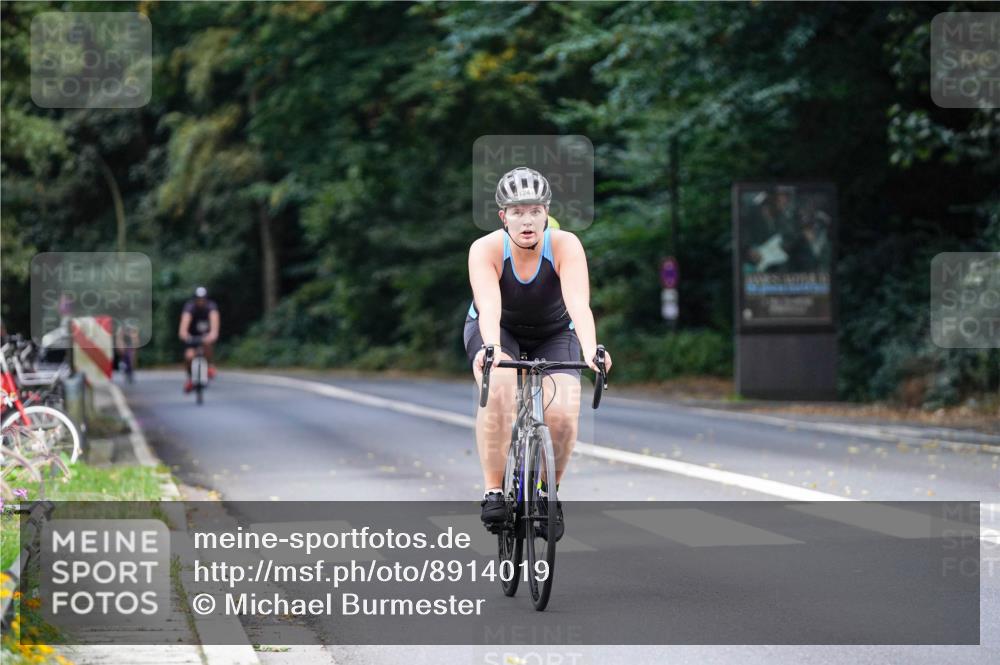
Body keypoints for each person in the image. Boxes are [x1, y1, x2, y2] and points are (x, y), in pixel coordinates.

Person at [464, 166, 612, 541]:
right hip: (499, 331)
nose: (527, 220)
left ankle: (548, 494)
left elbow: (579, 304)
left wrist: (594, 348)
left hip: (554, 332)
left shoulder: (566, 245)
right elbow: (489, 306)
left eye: (534, 210)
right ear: (503, 217)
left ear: (547, 212)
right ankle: (494, 491)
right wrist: (492, 349)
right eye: (517, 211)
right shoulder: (485, 249)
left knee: (563, 413)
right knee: (498, 389)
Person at [177, 286, 219, 393]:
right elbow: (184, 326)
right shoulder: (190, 307)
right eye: (198, 299)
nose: (201, 301)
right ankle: (191, 378)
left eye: (203, 299)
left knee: (207, 344)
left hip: (205, 337)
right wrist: (184, 335)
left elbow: (214, 324)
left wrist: (212, 334)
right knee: (189, 356)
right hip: (192, 337)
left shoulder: (211, 307)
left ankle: (209, 366)